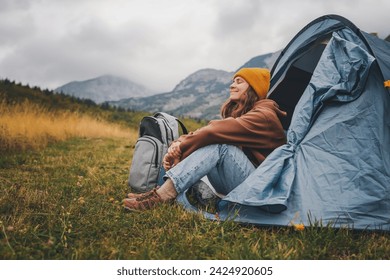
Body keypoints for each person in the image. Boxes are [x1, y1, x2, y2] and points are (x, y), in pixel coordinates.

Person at [123, 67, 287, 211]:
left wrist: (180, 146)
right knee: (214, 142)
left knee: (220, 146)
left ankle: (163, 195)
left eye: (239, 81)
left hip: (262, 191)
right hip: (242, 184)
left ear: (253, 88)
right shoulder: (246, 114)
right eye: (233, 81)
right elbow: (212, 131)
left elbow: (214, 131)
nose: (232, 85)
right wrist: (179, 143)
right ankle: (161, 191)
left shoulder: (264, 115)